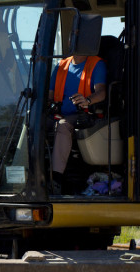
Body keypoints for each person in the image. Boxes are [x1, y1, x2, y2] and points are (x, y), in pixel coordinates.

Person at [49, 51, 107, 194]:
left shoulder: (96, 64)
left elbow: (101, 92)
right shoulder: (61, 65)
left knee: (62, 126)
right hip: (59, 112)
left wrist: (87, 100)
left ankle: (55, 180)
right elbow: (50, 95)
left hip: (83, 114)